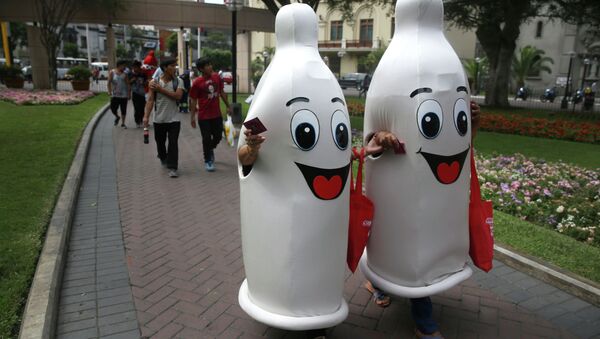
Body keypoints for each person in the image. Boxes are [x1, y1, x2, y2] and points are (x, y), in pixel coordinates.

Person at [363, 101, 482, 339]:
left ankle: (380, 285)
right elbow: (369, 142)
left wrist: (470, 122)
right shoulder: (395, 94)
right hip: (398, 194)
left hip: (430, 197)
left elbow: (461, 146)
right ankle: (423, 320)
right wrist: (379, 138)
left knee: (416, 251)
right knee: (406, 252)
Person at [143, 57, 184, 178]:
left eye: (175, 66)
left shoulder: (178, 81)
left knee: (173, 143)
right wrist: (146, 116)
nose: (175, 68)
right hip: (159, 119)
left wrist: (161, 90)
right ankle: (162, 156)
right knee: (160, 142)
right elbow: (150, 100)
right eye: (172, 66)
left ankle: (173, 167)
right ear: (165, 68)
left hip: (174, 119)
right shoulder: (154, 82)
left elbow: (178, 97)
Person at [189, 57, 232, 172]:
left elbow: (222, 92)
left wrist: (228, 106)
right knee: (206, 138)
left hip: (216, 114)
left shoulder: (217, 77)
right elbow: (193, 100)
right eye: (207, 65)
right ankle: (208, 160)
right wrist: (192, 117)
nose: (210, 67)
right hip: (203, 116)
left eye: (210, 64)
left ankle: (210, 148)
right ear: (201, 69)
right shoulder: (197, 82)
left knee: (218, 136)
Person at [108, 60, 131, 128]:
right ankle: (117, 116)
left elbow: (128, 84)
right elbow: (109, 82)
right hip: (115, 94)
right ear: (119, 65)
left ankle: (123, 123)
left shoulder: (125, 74)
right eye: (123, 66)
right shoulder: (112, 72)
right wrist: (109, 91)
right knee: (113, 108)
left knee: (123, 109)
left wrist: (129, 94)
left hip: (124, 95)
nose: (124, 67)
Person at [129, 60, 148, 128]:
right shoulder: (131, 74)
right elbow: (128, 83)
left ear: (139, 67)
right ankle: (137, 121)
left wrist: (143, 83)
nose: (135, 69)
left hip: (142, 94)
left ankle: (141, 120)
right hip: (135, 93)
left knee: (142, 108)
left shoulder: (143, 74)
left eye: (136, 67)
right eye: (133, 67)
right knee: (136, 108)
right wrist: (132, 80)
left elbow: (146, 83)